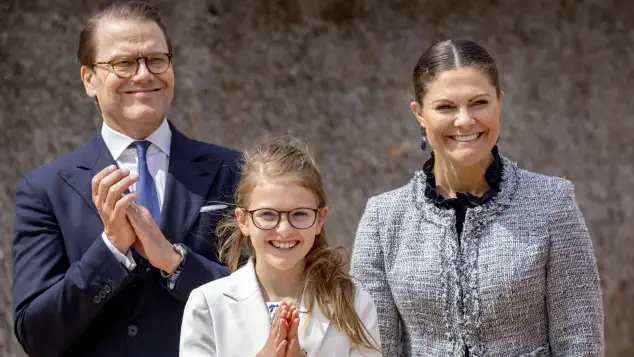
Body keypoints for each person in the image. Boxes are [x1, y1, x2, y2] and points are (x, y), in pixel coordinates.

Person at [11, 2, 240, 357]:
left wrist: (176, 263)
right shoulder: (44, 190)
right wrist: (111, 250)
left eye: (157, 59)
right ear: (89, 79)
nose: (145, 74)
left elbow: (268, 301)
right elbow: (36, 336)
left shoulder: (235, 170)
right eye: (124, 63)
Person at [350, 39, 604, 356]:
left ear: (499, 102)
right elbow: (372, 347)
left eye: (479, 102)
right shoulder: (382, 219)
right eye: (445, 107)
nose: (464, 120)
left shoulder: (552, 202)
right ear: (419, 113)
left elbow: (580, 340)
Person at [179, 137, 382, 357]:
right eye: (267, 214)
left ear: (320, 220)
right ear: (243, 220)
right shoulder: (208, 304)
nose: (284, 229)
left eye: (300, 214)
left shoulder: (354, 302)